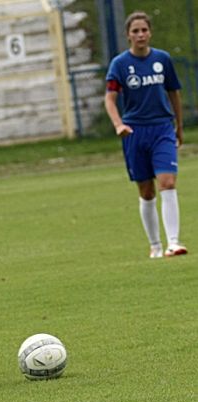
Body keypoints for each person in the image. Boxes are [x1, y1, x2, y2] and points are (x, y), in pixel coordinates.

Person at [104, 11, 187, 259]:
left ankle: (173, 242)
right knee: (147, 191)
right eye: (135, 31)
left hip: (162, 128)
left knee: (167, 182)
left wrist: (179, 126)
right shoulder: (119, 64)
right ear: (128, 35)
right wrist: (118, 124)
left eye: (144, 30)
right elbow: (110, 99)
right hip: (134, 132)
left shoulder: (163, 59)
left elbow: (174, 93)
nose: (140, 35)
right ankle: (155, 245)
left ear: (150, 32)